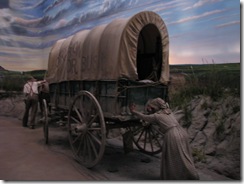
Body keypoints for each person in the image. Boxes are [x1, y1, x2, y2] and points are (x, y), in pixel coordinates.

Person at [129, 98, 199, 180]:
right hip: (182, 132)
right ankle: (185, 175)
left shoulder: (157, 116)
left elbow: (144, 117)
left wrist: (134, 111)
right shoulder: (169, 112)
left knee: (174, 157)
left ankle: (190, 175)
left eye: (152, 107)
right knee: (184, 155)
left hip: (172, 135)